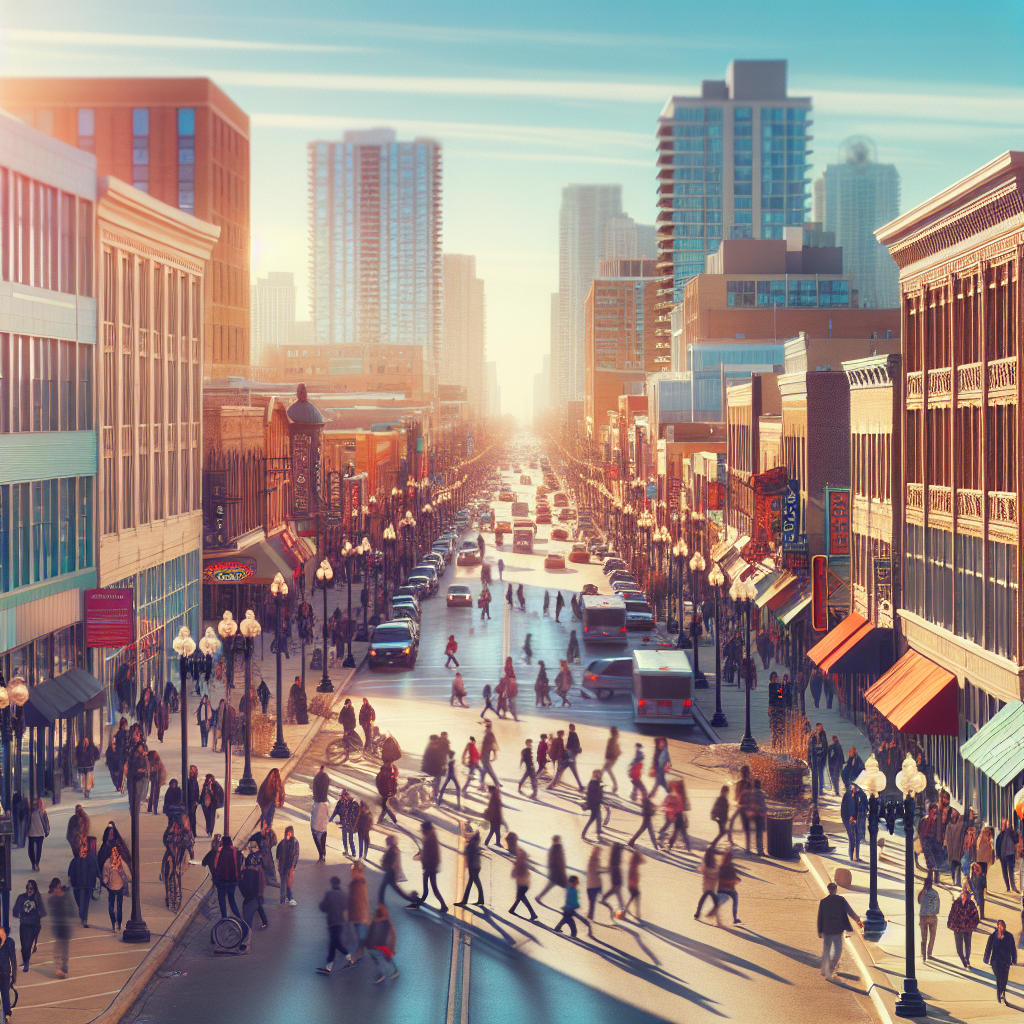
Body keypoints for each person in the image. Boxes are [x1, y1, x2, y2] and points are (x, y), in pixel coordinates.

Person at [817, 881, 862, 980]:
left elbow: (820, 917)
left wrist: (820, 930)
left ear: (828, 890)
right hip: (838, 929)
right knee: (837, 951)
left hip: (827, 929)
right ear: (835, 890)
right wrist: (857, 919)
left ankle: (825, 970)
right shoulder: (841, 900)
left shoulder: (823, 902)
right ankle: (831, 969)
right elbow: (849, 911)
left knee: (826, 950)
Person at [408, 820, 447, 914]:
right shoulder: (430, 837)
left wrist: (425, 861)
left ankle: (419, 903)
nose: (421, 831)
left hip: (430, 867)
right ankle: (443, 906)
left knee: (428, 888)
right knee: (432, 887)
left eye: (423, 829)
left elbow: (431, 855)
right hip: (430, 867)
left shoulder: (430, 839)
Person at [316, 876, 349, 975]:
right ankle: (328, 968)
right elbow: (345, 907)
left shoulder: (329, 894)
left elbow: (323, 907)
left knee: (334, 944)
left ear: (332, 884)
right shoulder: (343, 895)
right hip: (340, 922)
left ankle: (350, 957)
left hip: (332, 922)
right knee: (334, 944)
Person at [12, 879, 45, 972]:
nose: (29, 890)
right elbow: (15, 911)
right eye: (28, 888)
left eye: (31, 888)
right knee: (23, 945)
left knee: (28, 945)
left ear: (34, 889)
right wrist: (19, 915)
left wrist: (36, 918)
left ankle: (26, 963)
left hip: (33, 925)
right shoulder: (21, 897)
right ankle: (25, 960)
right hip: (23, 924)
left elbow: (42, 911)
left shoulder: (37, 898)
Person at [984, 918, 1017, 1003]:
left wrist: (1014, 959)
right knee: (998, 978)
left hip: (1006, 960)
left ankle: (1003, 992)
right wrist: (986, 958)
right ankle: (999, 994)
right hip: (995, 960)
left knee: (1004, 978)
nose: (1000, 927)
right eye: (999, 925)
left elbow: (1013, 948)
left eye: (1002, 925)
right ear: (997, 926)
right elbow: (988, 947)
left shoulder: (1009, 936)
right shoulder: (993, 936)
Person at [947, 885, 980, 968]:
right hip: (957, 928)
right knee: (959, 948)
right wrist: (950, 923)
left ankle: (967, 959)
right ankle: (963, 960)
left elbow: (976, 917)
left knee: (967, 945)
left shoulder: (971, 904)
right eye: (963, 894)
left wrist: (972, 925)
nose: (964, 896)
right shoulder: (956, 903)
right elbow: (951, 914)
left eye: (966, 895)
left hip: (967, 928)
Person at [67, 843, 99, 926]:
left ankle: (84, 919)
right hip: (78, 885)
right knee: (80, 902)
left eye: (85, 850)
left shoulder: (91, 861)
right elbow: (70, 873)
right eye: (82, 850)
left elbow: (97, 872)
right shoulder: (75, 861)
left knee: (85, 902)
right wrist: (69, 884)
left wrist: (97, 883)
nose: (84, 851)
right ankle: (82, 915)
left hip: (88, 885)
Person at [367, 904, 400, 983]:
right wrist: (393, 946)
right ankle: (392, 971)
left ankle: (385, 974)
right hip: (380, 946)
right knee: (385, 958)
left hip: (374, 946)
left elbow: (371, 933)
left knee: (380, 960)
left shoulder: (375, 921)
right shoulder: (386, 921)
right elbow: (392, 934)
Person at [48, 878, 72, 979]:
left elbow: (71, 911)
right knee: (58, 949)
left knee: (64, 949)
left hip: (65, 927)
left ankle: (64, 967)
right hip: (58, 927)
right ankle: (59, 968)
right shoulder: (52, 899)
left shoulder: (66, 897)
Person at [454, 829, 485, 907]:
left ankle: (465, 901)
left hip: (473, 867)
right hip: (477, 866)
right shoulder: (475, 845)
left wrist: (467, 864)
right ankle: (480, 899)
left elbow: (468, 855)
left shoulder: (471, 845)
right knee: (475, 883)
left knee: (470, 884)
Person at [213, 835, 242, 919]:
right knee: (231, 900)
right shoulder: (235, 851)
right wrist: (237, 877)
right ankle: (238, 917)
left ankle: (224, 918)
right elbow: (237, 866)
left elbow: (215, 864)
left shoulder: (220, 850)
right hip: (232, 880)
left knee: (222, 900)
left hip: (221, 880)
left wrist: (216, 877)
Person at [102, 846, 128, 932]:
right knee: (111, 907)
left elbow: (126, 873)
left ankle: (119, 924)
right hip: (111, 887)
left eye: (115, 853)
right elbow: (105, 874)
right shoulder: (107, 863)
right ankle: (113, 922)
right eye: (113, 853)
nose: (114, 855)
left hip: (120, 886)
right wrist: (105, 880)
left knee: (119, 907)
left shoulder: (121, 862)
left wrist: (120, 870)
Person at [509, 846, 537, 920]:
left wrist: (514, 871)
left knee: (521, 897)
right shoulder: (522, 862)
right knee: (520, 897)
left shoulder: (520, 863)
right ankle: (512, 909)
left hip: (522, 884)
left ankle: (533, 914)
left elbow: (514, 874)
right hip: (524, 884)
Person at [538, 836, 568, 902]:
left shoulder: (554, 848)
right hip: (558, 873)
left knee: (550, 885)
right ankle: (568, 904)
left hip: (556, 873)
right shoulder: (556, 849)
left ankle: (539, 896)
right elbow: (560, 860)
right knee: (568, 887)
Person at [918, 871, 940, 961]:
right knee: (932, 936)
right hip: (932, 916)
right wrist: (934, 912)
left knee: (923, 937)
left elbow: (919, 901)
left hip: (923, 916)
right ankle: (929, 953)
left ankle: (923, 954)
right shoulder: (935, 893)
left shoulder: (922, 893)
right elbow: (937, 905)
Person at [628, 787, 659, 851]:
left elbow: (651, 806)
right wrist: (653, 811)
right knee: (650, 832)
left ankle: (631, 841)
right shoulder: (646, 801)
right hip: (647, 819)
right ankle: (656, 846)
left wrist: (654, 807)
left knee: (643, 831)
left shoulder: (646, 800)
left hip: (646, 819)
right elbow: (648, 811)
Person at [716, 847, 741, 925]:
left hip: (726, 888)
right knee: (735, 899)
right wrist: (733, 880)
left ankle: (734, 918)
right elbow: (721, 879)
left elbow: (733, 876)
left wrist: (736, 879)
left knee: (734, 898)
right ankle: (734, 918)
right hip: (724, 888)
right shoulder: (724, 867)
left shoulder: (727, 867)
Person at [841, 784, 866, 862]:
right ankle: (853, 856)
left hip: (852, 818)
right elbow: (850, 808)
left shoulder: (856, 794)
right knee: (853, 837)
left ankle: (855, 856)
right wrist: (851, 818)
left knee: (856, 837)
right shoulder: (850, 795)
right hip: (850, 818)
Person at [694, 848, 720, 920]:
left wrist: (697, 867)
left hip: (706, 885)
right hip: (711, 886)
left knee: (703, 899)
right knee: (716, 902)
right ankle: (712, 914)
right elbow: (716, 874)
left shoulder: (706, 863)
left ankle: (697, 913)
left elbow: (701, 870)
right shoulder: (713, 864)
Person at [276, 825, 300, 906]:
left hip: (290, 867)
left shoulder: (295, 842)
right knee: (283, 883)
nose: (288, 834)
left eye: (289, 833)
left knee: (289, 884)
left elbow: (296, 855)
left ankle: (289, 898)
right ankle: (283, 899)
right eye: (287, 833)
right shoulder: (283, 842)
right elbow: (278, 853)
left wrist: (293, 867)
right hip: (283, 866)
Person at [621, 848, 645, 922]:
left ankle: (625, 912)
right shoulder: (633, 866)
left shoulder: (633, 864)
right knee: (636, 899)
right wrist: (633, 885)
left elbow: (643, 861)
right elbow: (643, 861)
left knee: (632, 899)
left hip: (633, 885)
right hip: (633, 886)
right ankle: (636, 915)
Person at [997, 818, 1020, 893]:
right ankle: (1008, 887)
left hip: (1010, 855)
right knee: (1005, 871)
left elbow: (1016, 841)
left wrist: (1017, 834)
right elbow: (998, 844)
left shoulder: (1012, 833)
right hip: (1003, 855)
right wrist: (998, 855)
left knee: (1010, 871)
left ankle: (1013, 887)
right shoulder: (1001, 834)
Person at [581, 771, 604, 843]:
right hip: (595, 805)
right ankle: (596, 834)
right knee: (593, 819)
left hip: (594, 804)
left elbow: (590, 795)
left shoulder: (593, 783)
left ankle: (598, 832)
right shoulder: (595, 784)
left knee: (597, 819)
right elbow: (596, 795)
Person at [27, 798, 48, 872]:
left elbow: (46, 822)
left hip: (40, 834)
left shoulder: (43, 812)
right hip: (32, 833)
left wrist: (47, 830)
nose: (38, 805)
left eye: (39, 803)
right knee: (31, 850)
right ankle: (33, 863)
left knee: (38, 850)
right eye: (36, 804)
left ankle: (37, 863)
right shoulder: (30, 812)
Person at [480, 722, 501, 789]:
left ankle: (496, 783)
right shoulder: (488, 734)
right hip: (484, 755)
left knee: (487, 770)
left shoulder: (489, 735)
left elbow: (493, 744)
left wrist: (495, 754)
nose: (487, 729)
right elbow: (494, 743)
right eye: (487, 727)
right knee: (486, 770)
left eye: (488, 727)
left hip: (486, 755)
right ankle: (495, 783)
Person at [0, 926, 14, 1020]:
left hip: (5, 972)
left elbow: (12, 959)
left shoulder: (9, 942)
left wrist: (13, 974)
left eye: (2, 934)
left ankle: (7, 1013)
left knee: (5, 993)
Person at [602, 727, 621, 795]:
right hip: (610, 759)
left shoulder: (613, 740)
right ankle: (615, 785)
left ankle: (615, 786)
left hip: (611, 759)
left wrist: (611, 758)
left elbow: (613, 751)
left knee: (606, 770)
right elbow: (610, 750)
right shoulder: (613, 740)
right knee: (606, 770)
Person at [311, 797, 329, 864]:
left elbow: (314, 815)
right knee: (322, 842)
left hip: (316, 827)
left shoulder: (316, 805)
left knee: (318, 842)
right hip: (323, 827)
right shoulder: (326, 805)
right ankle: (323, 855)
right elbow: (327, 815)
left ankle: (321, 856)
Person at [186, 764, 201, 837]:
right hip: (189, 801)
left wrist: (197, 800)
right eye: (191, 770)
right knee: (190, 817)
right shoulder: (189, 781)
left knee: (192, 817)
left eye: (193, 770)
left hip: (193, 802)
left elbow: (197, 791)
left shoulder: (194, 781)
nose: (191, 771)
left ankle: (193, 832)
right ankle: (191, 832)